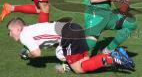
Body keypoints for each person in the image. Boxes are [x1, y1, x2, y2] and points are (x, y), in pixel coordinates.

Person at [7, 17, 135, 74]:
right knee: (83, 61)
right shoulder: (31, 28)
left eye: (10, 31)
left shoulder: (24, 35)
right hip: (73, 28)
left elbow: (37, 53)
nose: (9, 35)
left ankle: (111, 57)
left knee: (79, 69)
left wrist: (28, 55)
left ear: (18, 28)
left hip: (67, 34)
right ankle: (69, 66)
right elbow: (49, 39)